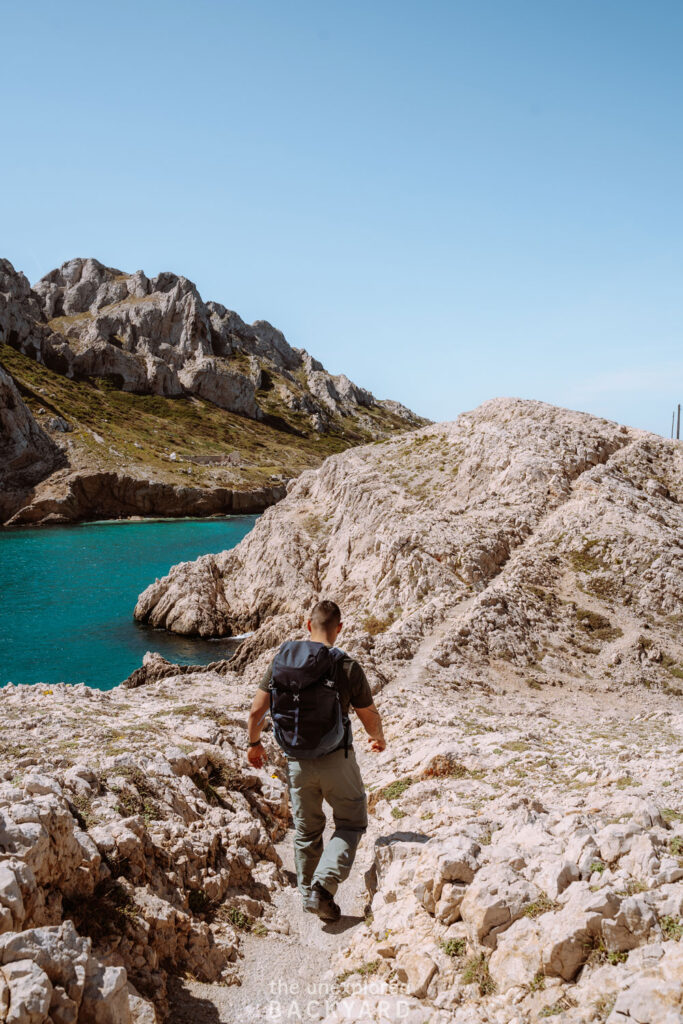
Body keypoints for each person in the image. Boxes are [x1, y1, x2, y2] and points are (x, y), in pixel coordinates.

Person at [246, 599, 386, 922]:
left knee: (307, 832)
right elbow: (368, 717)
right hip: (336, 758)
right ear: (339, 629)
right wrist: (378, 738)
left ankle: (310, 894)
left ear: (308, 625)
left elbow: (255, 712)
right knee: (351, 822)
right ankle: (323, 887)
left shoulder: (282, 660)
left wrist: (254, 744)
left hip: (296, 762)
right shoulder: (346, 666)